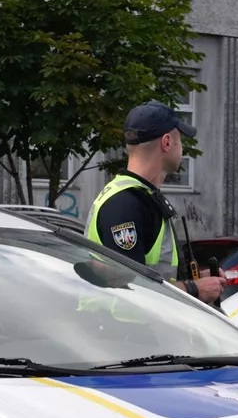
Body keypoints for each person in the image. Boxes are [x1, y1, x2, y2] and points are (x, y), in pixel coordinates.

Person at [86, 102, 224, 305]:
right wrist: (194, 289)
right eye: (180, 140)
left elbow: (152, 276)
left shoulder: (138, 197)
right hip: (121, 324)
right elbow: (132, 287)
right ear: (167, 142)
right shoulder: (126, 204)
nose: (182, 148)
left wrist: (192, 280)